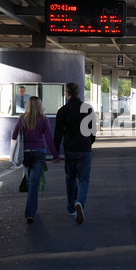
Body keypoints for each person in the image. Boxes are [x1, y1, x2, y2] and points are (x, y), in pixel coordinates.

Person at [12, 96, 60, 224]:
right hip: (39, 153)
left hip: (25, 154)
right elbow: (49, 138)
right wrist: (55, 155)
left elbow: (13, 135)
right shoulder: (44, 119)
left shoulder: (22, 119)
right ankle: (30, 212)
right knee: (33, 182)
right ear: (39, 105)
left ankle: (30, 210)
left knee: (30, 180)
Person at [54, 82, 96, 224]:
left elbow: (58, 133)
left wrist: (55, 151)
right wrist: (88, 143)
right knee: (84, 179)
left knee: (70, 178)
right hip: (84, 149)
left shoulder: (63, 110)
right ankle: (80, 203)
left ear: (67, 93)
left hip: (70, 150)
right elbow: (93, 133)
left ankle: (71, 208)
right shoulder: (88, 109)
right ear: (78, 93)